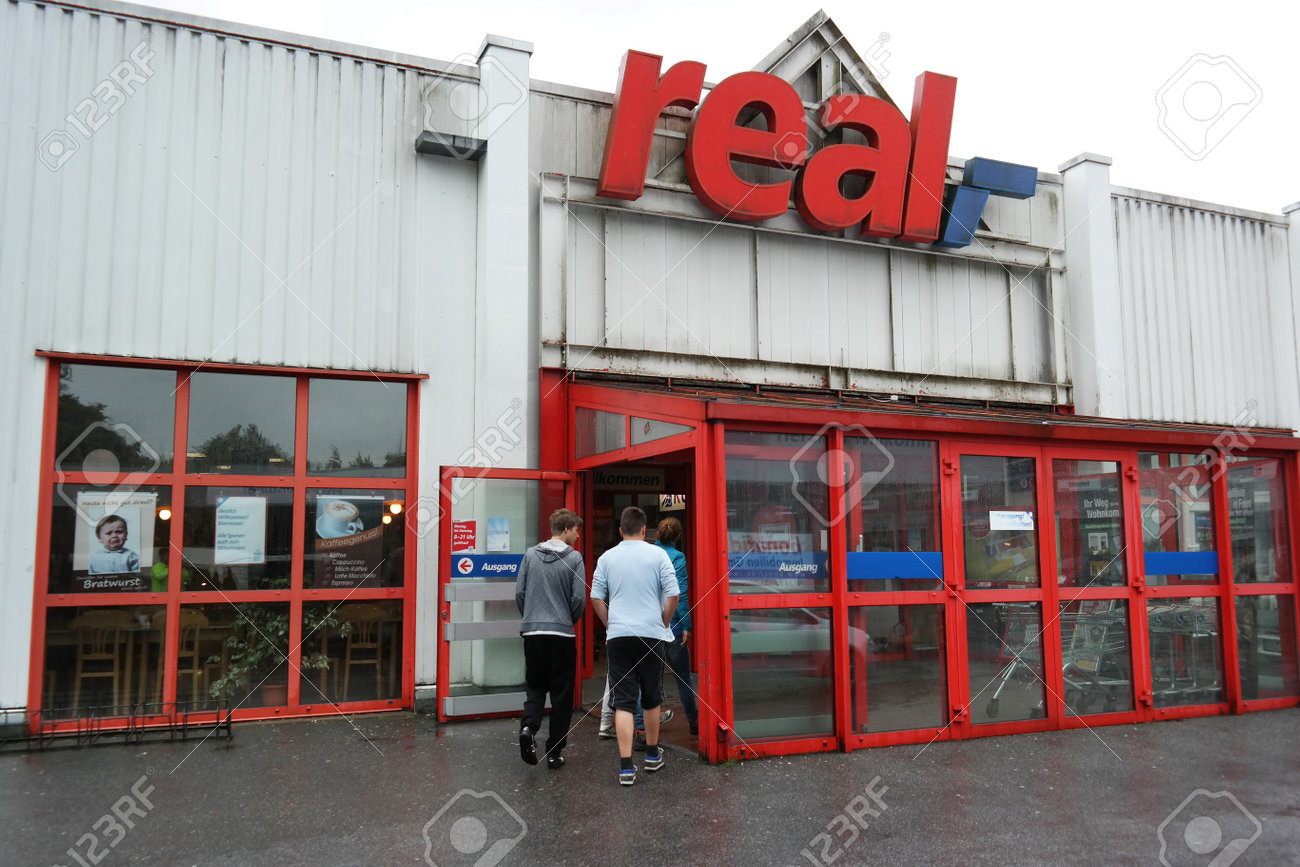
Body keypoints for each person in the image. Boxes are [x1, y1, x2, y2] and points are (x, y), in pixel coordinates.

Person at [590, 506, 678, 786]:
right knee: (651, 698)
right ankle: (652, 755)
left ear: (619, 530)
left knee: (624, 701)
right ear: (644, 530)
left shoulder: (607, 557)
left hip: (619, 637)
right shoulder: (658, 554)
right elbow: (673, 593)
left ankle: (626, 767)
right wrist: (664, 621)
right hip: (651, 634)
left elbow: (595, 597)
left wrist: (609, 624)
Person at [516, 508, 586, 770]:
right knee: (562, 695)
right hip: (561, 634)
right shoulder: (575, 558)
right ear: (566, 529)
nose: (578, 535)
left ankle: (528, 728)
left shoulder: (530, 555)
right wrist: (567, 620)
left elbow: (520, 591)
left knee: (535, 687)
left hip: (533, 633)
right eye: (576, 530)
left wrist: (531, 616)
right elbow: (578, 598)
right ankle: (554, 752)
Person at [655, 516, 699, 737]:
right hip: (672, 625)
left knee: (651, 677)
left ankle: (648, 725)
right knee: (683, 677)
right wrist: (687, 626)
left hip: (649, 626)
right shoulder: (678, 558)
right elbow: (679, 595)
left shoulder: (648, 554)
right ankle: (693, 722)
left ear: (657, 535)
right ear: (678, 537)